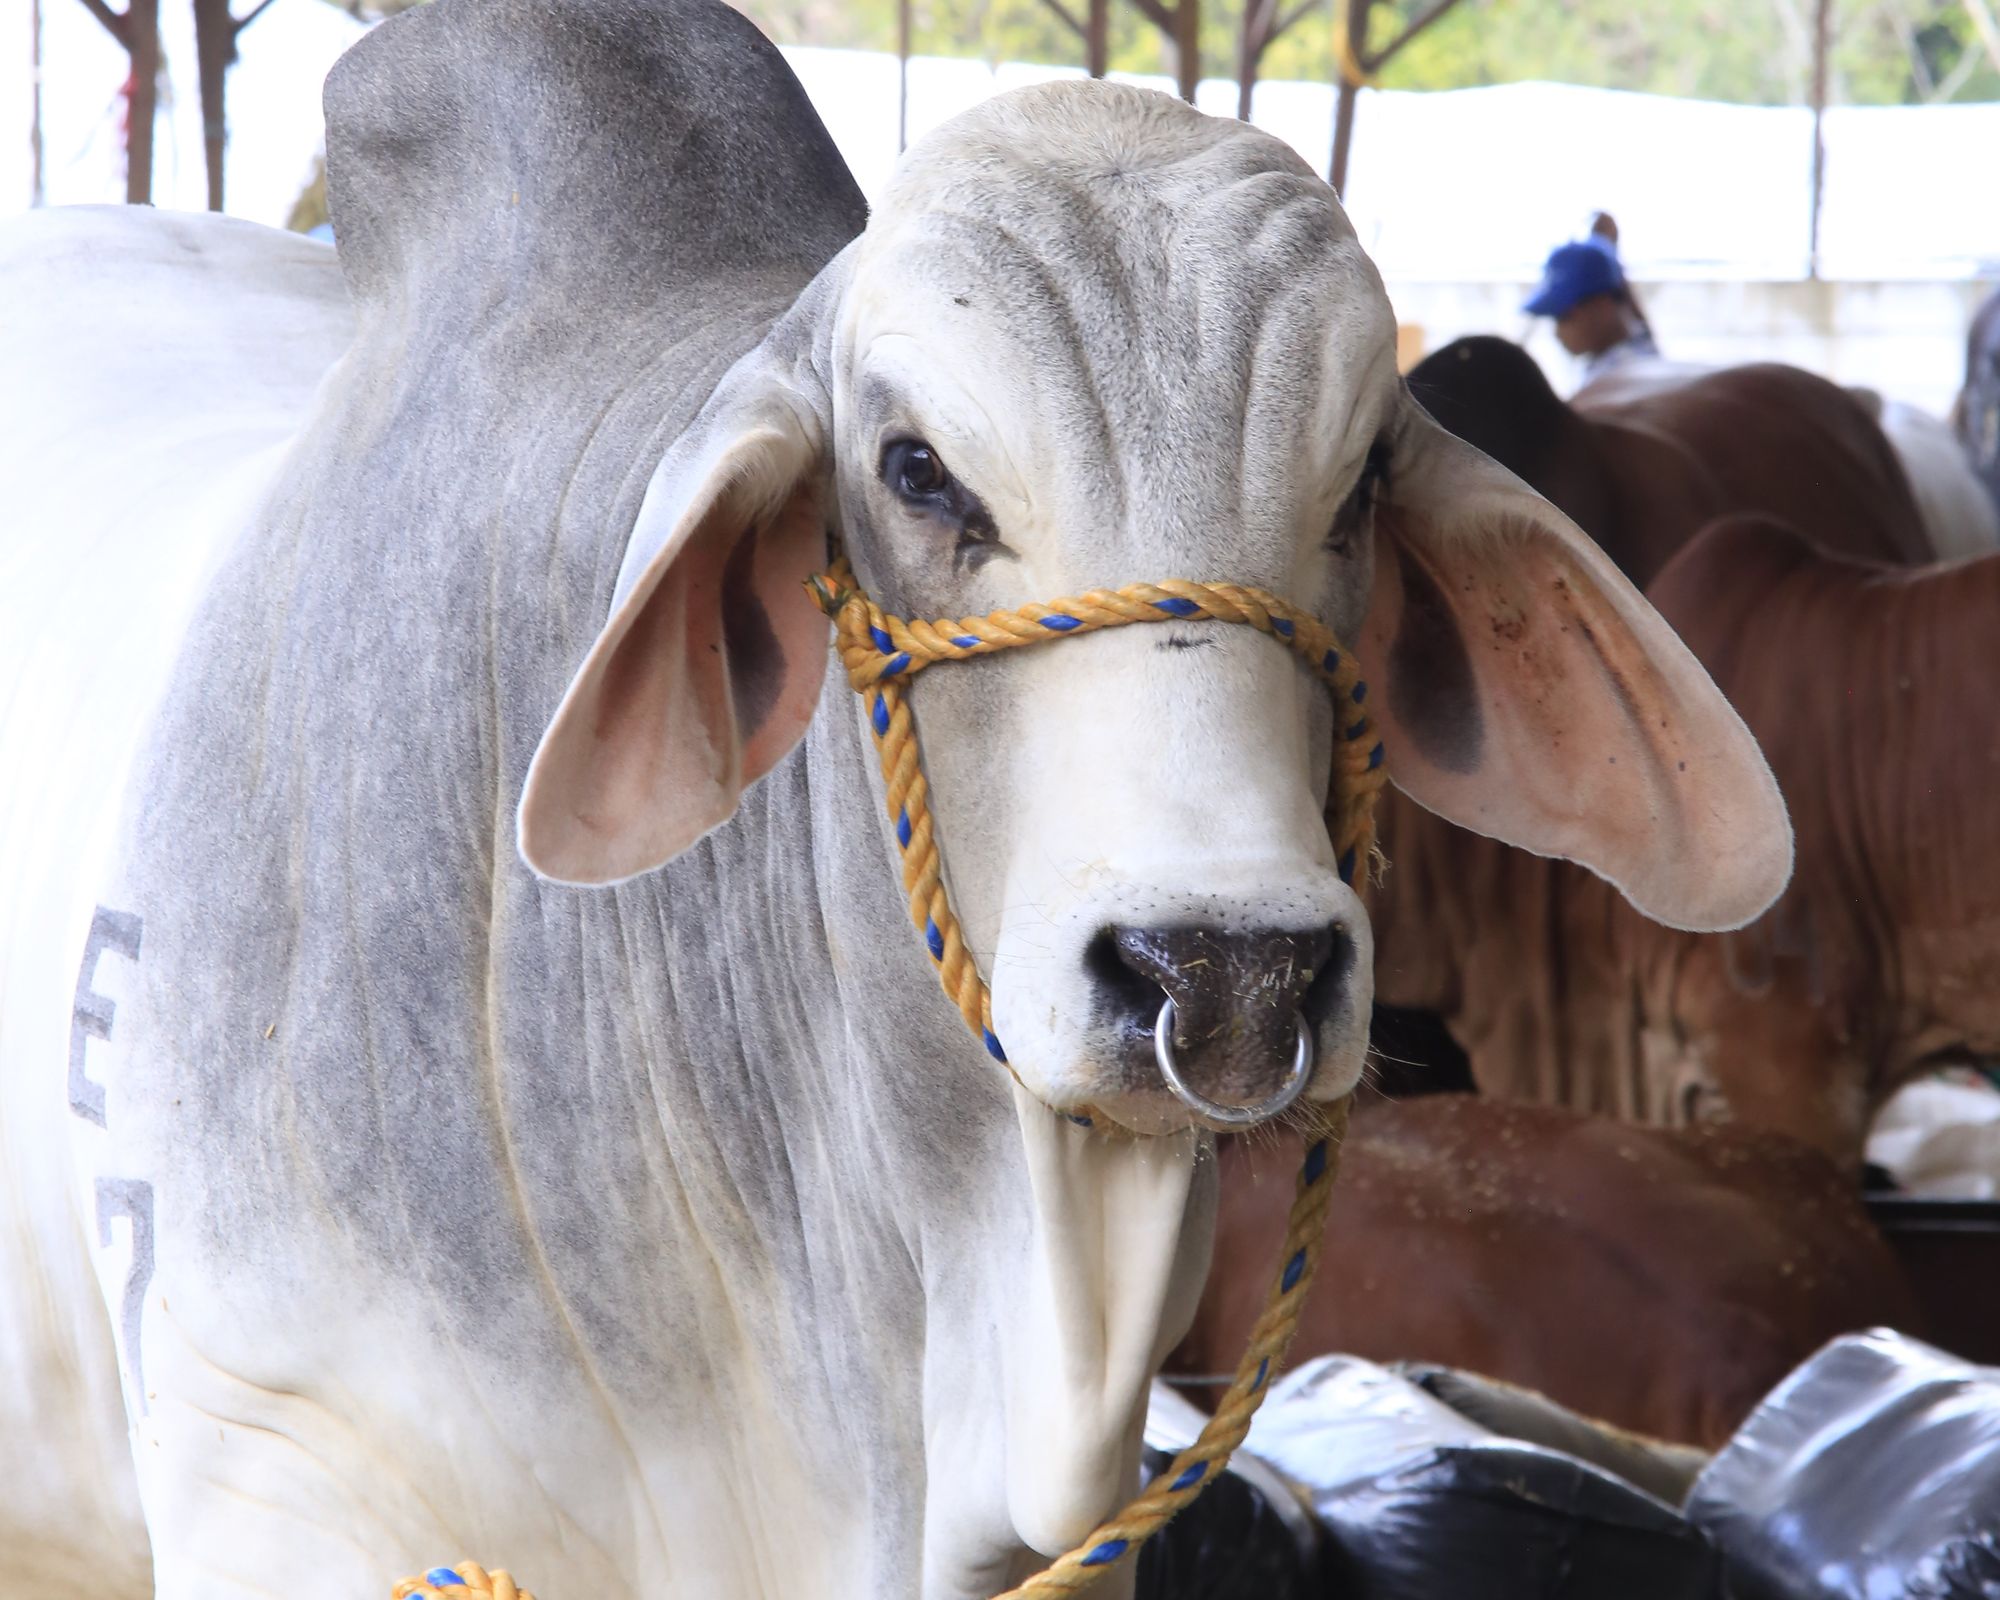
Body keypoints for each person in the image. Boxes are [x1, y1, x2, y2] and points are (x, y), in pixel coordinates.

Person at [1524, 229, 1658, 379]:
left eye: (1563, 317)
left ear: (1600, 305)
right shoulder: (1641, 351)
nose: (1557, 332)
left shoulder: (1615, 379)